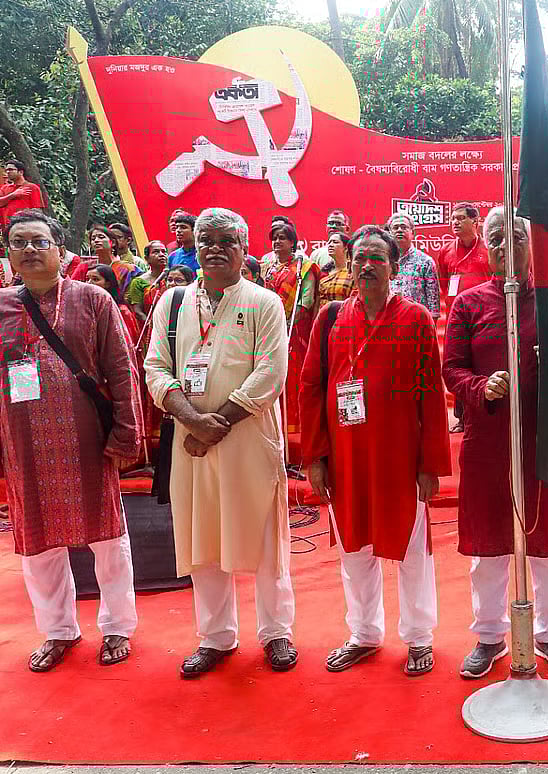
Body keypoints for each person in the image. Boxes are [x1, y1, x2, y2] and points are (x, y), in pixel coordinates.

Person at [143, 207, 296, 678]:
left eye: (226, 240)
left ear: (244, 249)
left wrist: (216, 425)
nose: (214, 248)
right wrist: (192, 421)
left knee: (266, 538)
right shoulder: (171, 303)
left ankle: (276, 632)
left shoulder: (264, 303)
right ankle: (216, 636)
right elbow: (154, 368)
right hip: (190, 443)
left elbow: (271, 373)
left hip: (248, 439)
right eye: (206, 240)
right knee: (202, 537)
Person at [442, 207, 548, 678]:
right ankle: (489, 635)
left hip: (544, 442)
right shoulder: (469, 304)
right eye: (497, 238)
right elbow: (452, 368)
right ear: (487, 248)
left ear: (532, 246)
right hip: (489, 443)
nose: (507, 246)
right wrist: (480, 386)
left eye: (517, 237)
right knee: (489, 549)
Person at [300, 225, 452, 675]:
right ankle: (364, 633)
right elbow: (311, 388)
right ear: (349, 264)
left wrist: (430, 465)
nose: (367, 266)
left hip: (399, 458)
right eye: (360, 258)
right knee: (354, 548)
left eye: (377, 258)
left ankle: (419, 637)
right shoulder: (331, 318)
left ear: (394, 265)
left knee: (411, 548)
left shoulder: (416, 319)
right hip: (346, 457)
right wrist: (315, 457)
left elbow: (431, 395)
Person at [0, 209, 141, 671]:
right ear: (8, 254)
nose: (29, 250)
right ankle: (58, 630)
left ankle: (117, 625)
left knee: (108, 538)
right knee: (39, 543)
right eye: (19, 242)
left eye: (39, 241)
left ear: (61, 250)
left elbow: (121, 370)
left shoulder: (92, 300)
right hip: (24, 445)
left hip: (87, 440)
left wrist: (125, 435)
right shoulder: (2, 306)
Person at [261, 220, 318, 454]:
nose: (277, 242)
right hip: (269, 329)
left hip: (294, 330)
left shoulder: (304, 267)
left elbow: (306, 301)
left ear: (292, 241)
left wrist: (287, 324)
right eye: (274, 238)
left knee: (294, 374)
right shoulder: (268, 267)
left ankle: (296, 426)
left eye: (282, 238)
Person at [436, 203, 490, 434]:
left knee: (482, 366)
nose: (455, 222)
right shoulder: (445, 251)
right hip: (457, 319)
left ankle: (485, 413)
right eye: (453, 218)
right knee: (459, 367)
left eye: (460, 218)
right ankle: (461, 417)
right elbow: (444, 282)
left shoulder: (488, 248)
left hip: (485, 318)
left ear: (475, 221)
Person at [387, 212, 440, 319]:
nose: (399, 230)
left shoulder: (426, 261)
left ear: (413, 233)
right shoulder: (384, 261)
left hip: (416, 321)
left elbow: (433, 303)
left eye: (404, 227)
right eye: (395, 228)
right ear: (389, 233)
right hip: (389, 320)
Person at [85, 265, 142, 347]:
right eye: (87, 279)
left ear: (107, 284)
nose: (89, 283)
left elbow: (129, 343)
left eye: (96, 279)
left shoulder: (121, 311)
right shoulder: (85, 307)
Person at [126, 240, 169, 323]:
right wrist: (152, 325)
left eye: (164, 252)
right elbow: (138, 311)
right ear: (146, 258)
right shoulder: (138, 282)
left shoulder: (174, 278)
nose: (161, 254)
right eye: (156, 252)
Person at [0, 160, 45, 231]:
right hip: (8, 228)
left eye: (11, 169)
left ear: (20, 172)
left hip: (26, 228)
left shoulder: (32, 187)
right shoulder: (4, 188)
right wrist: (13, 195)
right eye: (6, 170)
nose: (8, 172)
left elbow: (37, 211)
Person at [309, 209, 351, 273]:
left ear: (347, 229)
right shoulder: (316, 254)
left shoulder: (354, 252)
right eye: (330, 223)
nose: (333, 226)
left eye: (338, 223)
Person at [318, 232, 354, 304]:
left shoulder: (352, 272)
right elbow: (317, 301)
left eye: (335, 242)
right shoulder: (324, 272)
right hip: (323, 310)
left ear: (346, 248)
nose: (330, 245)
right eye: (329, 242)